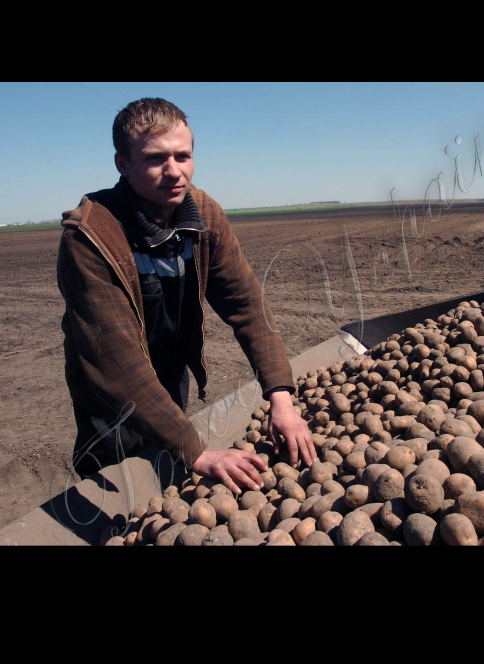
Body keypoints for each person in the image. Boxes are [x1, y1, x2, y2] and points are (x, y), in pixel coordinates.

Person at [57, 97, 317, 494]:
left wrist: (280, 397)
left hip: (169, 362)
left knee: (167, 466)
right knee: (120, 482)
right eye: (155, 159)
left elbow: (246, 305)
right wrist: (196, 452)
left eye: (183, 156)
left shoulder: (203, 215)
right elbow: (115, 360)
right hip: (110, 392)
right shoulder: (91, 236)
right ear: (122, 164)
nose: (174, 172)